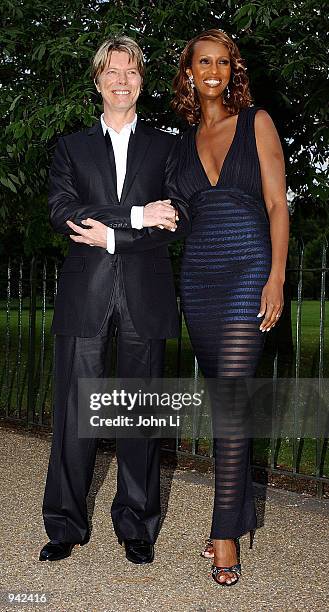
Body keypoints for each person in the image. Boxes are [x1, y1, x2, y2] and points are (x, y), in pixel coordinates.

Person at [40, 36, 190, 564]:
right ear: (98, 80)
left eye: (131, 72)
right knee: (74, 414)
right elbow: (63, 211)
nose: (121, 80)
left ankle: (137, 522)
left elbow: (176, 219)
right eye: (112, 71)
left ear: (141, 82)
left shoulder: (169, 147)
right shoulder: (70, 147)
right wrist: (132, 218)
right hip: (85, 295)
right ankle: (64, 523)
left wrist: (108, 233)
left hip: (145, 297)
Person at [172, 29, 289, 586]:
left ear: (231, 69)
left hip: (248, 273)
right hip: (199, 279)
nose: (213, 71)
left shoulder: (256, 123)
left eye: (222, 62)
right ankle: (237, 513)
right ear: (189, 73)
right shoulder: (183, 141)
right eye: (203, 63)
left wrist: (277, 276)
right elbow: (174, 216)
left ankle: (224, 534)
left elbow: (275, 203)